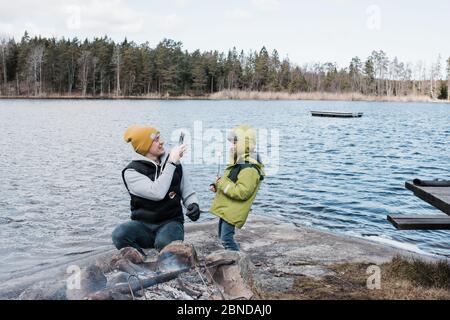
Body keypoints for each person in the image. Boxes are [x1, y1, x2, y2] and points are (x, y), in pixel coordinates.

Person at [112, 125, 200, 255]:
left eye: (160, 138)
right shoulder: (131, 172)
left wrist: (193, 204)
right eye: (156, 139)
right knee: (119, 234)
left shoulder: (173, 162)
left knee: (164, 242)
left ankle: (166, 257)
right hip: (143, 226)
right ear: (145, 146)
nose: (162, 142)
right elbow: (157, 192)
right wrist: (171, 163)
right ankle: (141, 259)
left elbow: (186, 190)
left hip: (171, 222)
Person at [209, 125, 264, 251]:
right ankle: (230, 260)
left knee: (226, 239)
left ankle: (237, 262)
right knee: (222, 237)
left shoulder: (249, 167)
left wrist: (222, 184)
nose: (232, 146)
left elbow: (243, 192)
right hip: (228, 208)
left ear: (245, 143)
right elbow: (230, 182)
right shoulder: (239, 161)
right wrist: (217, 186)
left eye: (235, 143)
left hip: (233, 211)